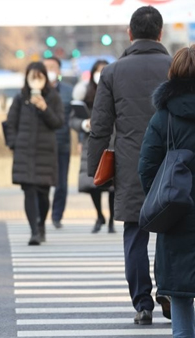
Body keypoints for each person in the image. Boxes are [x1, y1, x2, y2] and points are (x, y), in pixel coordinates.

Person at [87, 5, 172, 325]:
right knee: (171, 231)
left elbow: (100, 127)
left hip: (130, 165)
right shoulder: (175, 68)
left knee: (135, 235)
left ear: (130, 34)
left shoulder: (112, 72)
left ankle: (143, 304)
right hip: (173, 164)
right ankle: (168, 290)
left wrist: (94, 171)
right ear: (160, 34)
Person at [140, 45, 195, 338]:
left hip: (178, 215)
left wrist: (164, 200)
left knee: (183, 296)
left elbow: (146, 167)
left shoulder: (164, 117)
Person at [6, 62, 64, 245]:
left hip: (45, 152)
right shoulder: (20, 98)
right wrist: (14, 143)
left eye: (40, 76)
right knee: (29, 191)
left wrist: (44, 108)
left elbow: (58, 123)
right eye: (33, 76)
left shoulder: (53, 97)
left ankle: (41, 225)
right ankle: (34, 231)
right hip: (25, 152)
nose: (36, 80)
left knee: (43, 193)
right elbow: (10, 123)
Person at [70, 60, 116, 234]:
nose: (101, 73)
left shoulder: (116, 91)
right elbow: (72, 120)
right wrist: (83, 124)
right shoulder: (86, 94)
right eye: (98, 70)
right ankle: (99, 216)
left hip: (112, 141)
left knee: (112, 185)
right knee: (92, 183)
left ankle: (111, 219)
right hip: (91, 142)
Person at [43, 57, 73, 230]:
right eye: (46, 67)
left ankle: (57, 216)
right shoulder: (36, 91)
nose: (49, 71)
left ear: (59, 70)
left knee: (61, 183)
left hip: (62, 143)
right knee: (43, 183)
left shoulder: (69, 91)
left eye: (52, 67)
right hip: (43, 144)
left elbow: (75, 116)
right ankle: (42, 216)